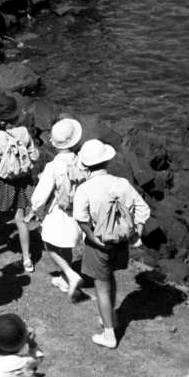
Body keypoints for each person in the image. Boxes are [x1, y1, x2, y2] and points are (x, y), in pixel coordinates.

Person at [71, 139, 150, 349]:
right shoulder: (122, 183)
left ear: (86, 165)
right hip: (120, 242)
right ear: (107, 161)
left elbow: (80, 218)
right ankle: (111, 317)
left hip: (99, 244)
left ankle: (109, 334)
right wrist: (136, 233)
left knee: (101, 287)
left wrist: (92, 236)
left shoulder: (85, 189)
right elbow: (143, 209)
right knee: (109, 277)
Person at [24, 118, 87, 299]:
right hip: (77, 212)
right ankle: (64, 278)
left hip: (59, 212)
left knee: (50, 243)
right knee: (66, 246)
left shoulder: (53, 166)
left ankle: (70, 273)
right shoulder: (81, 162)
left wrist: (34, 209)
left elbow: (40, 196)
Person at [0, 95, 38, 270]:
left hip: (2, 183)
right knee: (20, 219)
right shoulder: (24, 132)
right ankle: (27, 259)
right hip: (22, 181)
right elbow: (34, 155)